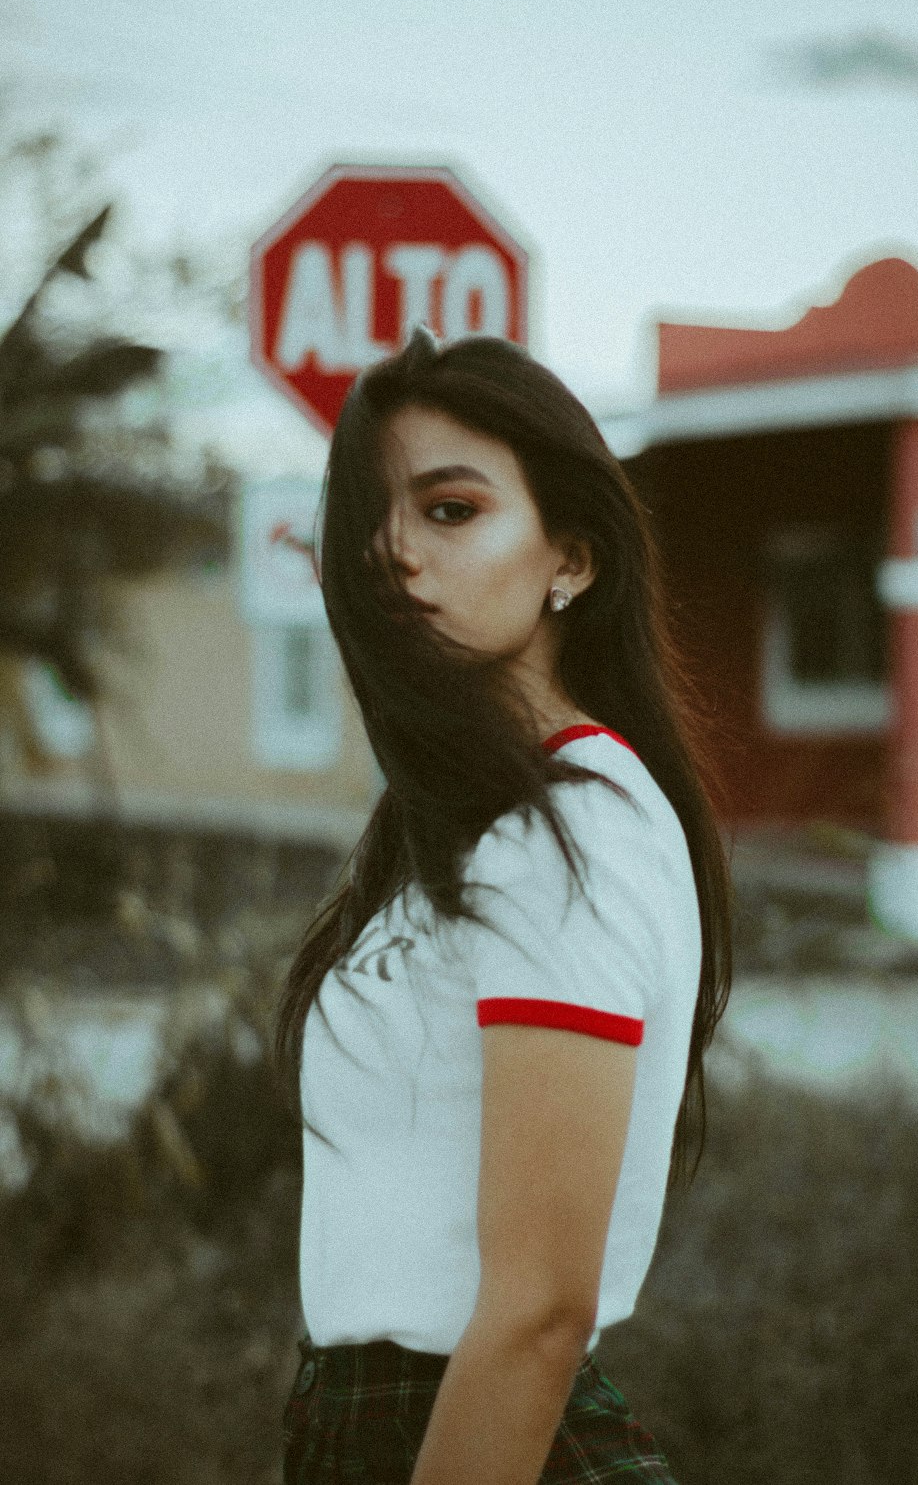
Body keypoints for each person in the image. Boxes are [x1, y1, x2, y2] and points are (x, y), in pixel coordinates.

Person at [274, 324, 732, 1484]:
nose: (395, 557)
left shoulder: (564, 832)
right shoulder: (460, 829)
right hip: (381, 1428)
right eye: (371, 521)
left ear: (568, 558)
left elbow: (536, 1312)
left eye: (450, 510)